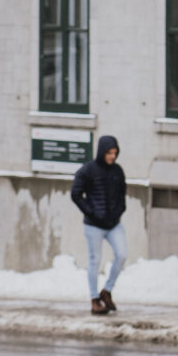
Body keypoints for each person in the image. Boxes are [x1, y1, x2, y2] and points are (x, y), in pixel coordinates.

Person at [71, 135, 127, 316]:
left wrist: (119, 211)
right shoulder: (88, 170)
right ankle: (94, 299)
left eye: (115, 153)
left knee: (122, 255)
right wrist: (91, 211)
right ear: (102, 152)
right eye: (109, 153)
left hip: (113, 224)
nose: (112, 156)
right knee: (95, 260)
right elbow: (76, 194)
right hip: (94, 225)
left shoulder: (118, 171)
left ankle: (107, 291)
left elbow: (122, 195)